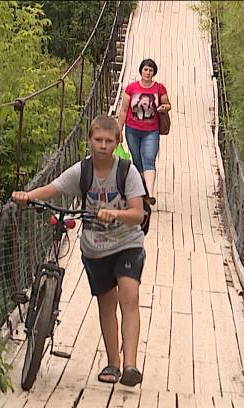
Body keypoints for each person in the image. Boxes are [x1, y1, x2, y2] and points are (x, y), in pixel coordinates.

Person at [11, 114, 146, 386]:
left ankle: (130, 365)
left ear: (118, 142)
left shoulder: (126, 171)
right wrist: (27, 196)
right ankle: (113, 364)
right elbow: (54, 188)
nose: (103, 146)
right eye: (98, 140)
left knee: (128, 297)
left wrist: (115, 215)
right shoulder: (82, 171)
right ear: (89, 140)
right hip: (95, 248)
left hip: (126, 243)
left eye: (109, 141)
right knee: (106, 304)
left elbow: (138, 213)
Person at [117, 58, 171, 206]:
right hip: (132, 130)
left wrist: (164, 108)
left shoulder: (160, 88)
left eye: (150, 70)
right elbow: (123, 111)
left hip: (151, 131)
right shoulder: (131, 88)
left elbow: (167, 104)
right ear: (141, 70)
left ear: (154, 72)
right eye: (145, 69)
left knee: (149, 159)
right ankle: (143, 192)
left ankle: (150, 193)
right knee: (137, 162)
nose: (147, 72)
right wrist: (118, 130)